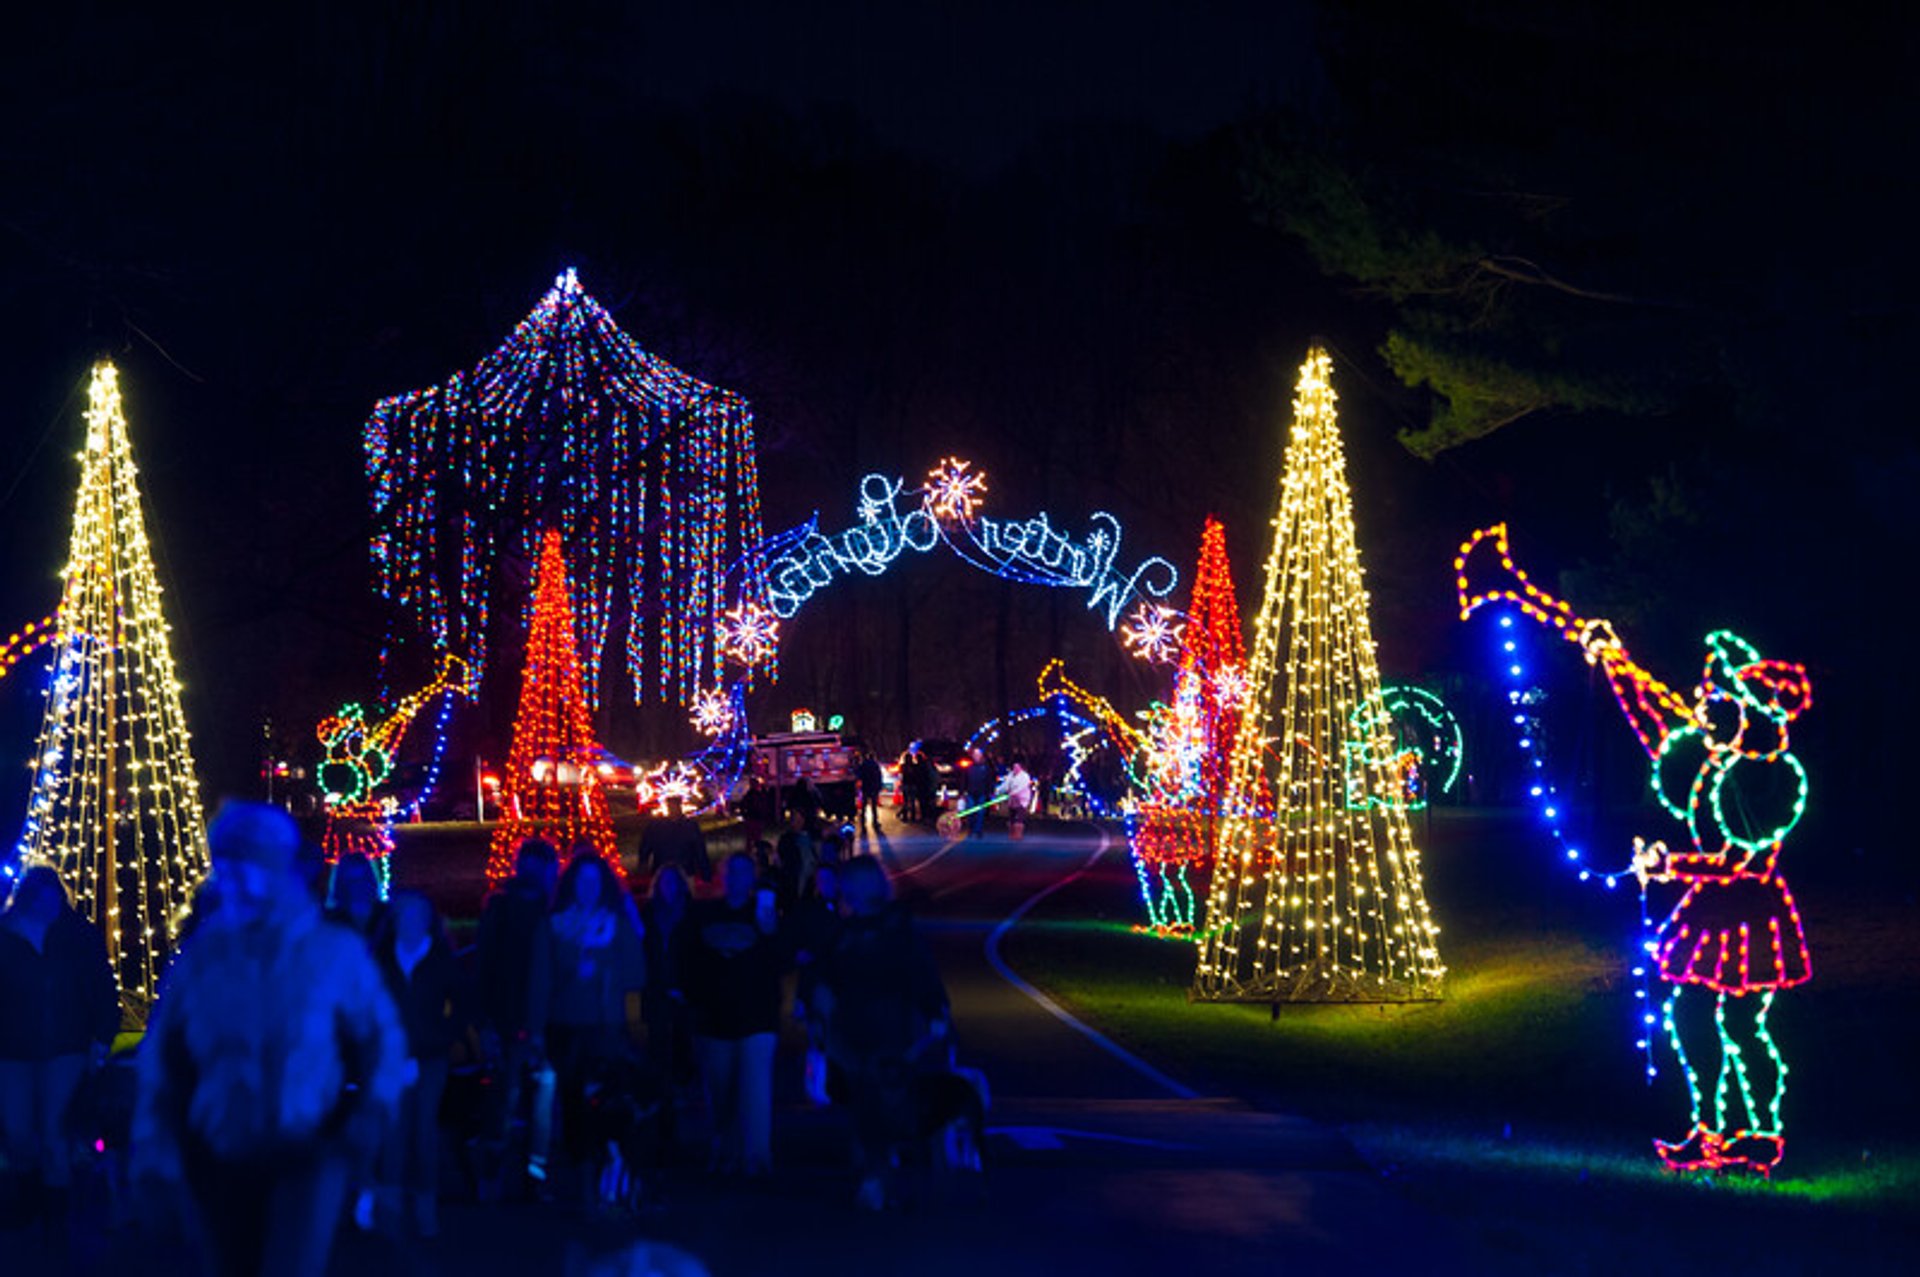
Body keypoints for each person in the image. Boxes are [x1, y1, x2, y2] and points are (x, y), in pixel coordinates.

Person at [132, 801, 407, 1277]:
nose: (232, 877)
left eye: (246, 863)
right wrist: (154, 1137)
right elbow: (162, 1055)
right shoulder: (204, 956)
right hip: (217, 1146)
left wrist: (371, 1111)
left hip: (307, 1144)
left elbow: (382, 1038)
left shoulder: (330, 951)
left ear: (277, 866)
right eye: (226, 864)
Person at [810, 855, 951, 1209]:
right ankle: (875, 1170)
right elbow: (823, 973)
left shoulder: (894, 926)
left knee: (881, 1100)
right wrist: (815, 1005)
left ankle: (877, 1175)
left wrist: (935, 1009)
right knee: (862, 1100)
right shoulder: (843, 930)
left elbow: (920, 971)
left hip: (890, 1027)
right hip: (851, 1029)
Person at [0, 867, 119, 1227]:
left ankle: (55, 1208)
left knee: (55, 1129)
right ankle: (29, 1192)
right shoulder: (6, 936)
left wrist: (102, 1033)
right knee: (17, 1129)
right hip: (13, 1047)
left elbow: (100, 986)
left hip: (67, 1044)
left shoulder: (78, 937)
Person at [677, 853, 783, 1176]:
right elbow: (687, 959)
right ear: (723, 877)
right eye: (731, 871)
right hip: (714, 1016)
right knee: (720, 1089)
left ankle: (757, 1156)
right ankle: (724, 1145)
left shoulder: (764, 914)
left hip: (757, 1015)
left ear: (753, 878)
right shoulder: (702, 914)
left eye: (744, 872)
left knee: (756, 1089)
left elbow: (782, 959)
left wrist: (772, 931)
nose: (737, 878)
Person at [547, 851, 647, 1188]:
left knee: (607, 1099)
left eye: (594, 881)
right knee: (572, 1097)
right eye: (582, 881)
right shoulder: (556, 925)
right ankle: (580, 1165)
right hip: (567, 1024)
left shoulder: (615, 924)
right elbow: (542, 978)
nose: (588, 888)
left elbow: (637, 973)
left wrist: (606, 971)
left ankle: (609, 1166)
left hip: (606, 1025)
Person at [373, 890, 463, 1238]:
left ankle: (425, 1207)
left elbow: (463, 1001)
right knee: (394, 1130)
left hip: (429, 1055)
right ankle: (392, 1206)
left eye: (418, 916)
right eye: (405, 915)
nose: (411, 922)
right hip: (392, 1056)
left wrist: (444, 1033)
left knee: (423, 1128)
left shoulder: (440, 960)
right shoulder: (382, 959)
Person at [475, 837, 559, 1196]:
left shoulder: (526, 906)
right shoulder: (519, 906)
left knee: (519, 1099)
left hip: (527, 1016)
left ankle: (511, 1173)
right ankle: (517, 1173)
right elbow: (486, 966)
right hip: (518, 1016)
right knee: (520, 1098)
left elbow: (485, 966)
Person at [640, 866, 696, 1101]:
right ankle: (660, 1087)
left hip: (683, 982)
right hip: (656, 983)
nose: (668, 887)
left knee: (682, 1037)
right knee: (658, 1037)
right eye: (665, 882)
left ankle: (681, 1084)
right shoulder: (650, 912)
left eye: (673, 882)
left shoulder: (691, 912)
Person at [638, 795, 712, 883]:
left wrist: (705, 872)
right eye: (671, 806)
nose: (673, 809)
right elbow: (646, 845)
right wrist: (643, 862)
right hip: (667, 871)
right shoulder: (657, 827)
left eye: (674, 806)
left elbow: (700, 849)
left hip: (682, 870)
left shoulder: (690, 826)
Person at [324, 851, 385, 940]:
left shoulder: (387, 924)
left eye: (363, 881)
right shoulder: (331, 927)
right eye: (352, 882)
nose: (358, 889)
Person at [773, 809, 814, 907]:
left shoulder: (810, 838)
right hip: (790, 878)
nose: (796, 823)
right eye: (794, 819)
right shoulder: (786, 839)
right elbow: (779, 858)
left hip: (805, 879)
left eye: (799, 819)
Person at [963, 747, 995, 838]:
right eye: (975, 755)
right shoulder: (969, 767)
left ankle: (978, 830)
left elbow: (989, 780)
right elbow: (964, 780)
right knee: (970, 812)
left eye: (978, 755)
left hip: (982, 793)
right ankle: (971, 829)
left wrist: (990, 792)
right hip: (971, 792)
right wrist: (962, 792)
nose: (976, 757)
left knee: (980, 813)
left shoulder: (986, 768)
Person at [854, 749, 885, 832]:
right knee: (874, 806)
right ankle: (875, 822)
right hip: (874, 787)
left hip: (866, 787)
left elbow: (858, 774)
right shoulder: (875, 765)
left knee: (864, 806)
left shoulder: (863, 765)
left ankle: (863, 823)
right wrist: (879, 786)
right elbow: (879, 776)